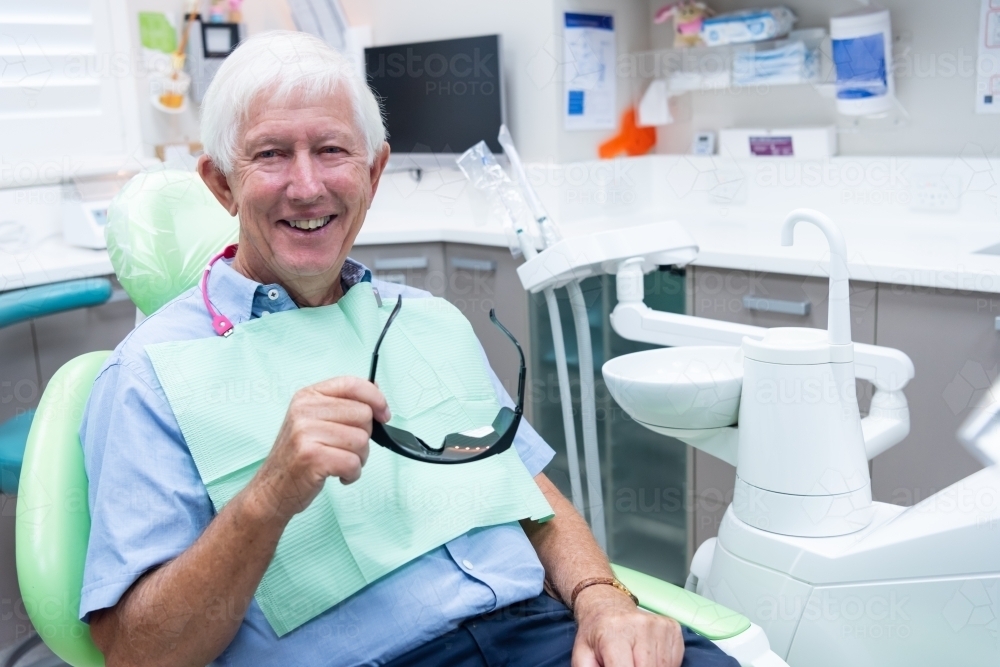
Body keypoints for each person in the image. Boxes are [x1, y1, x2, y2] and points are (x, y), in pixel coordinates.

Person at [80, 30, 739, 667]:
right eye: (271, 153)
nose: (307, 186)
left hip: (542, 632)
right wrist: (268, 496)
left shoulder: (429, 320)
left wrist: (603, 600)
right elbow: (139, 653)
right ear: (222, 182)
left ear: (374, 171)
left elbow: (529, 490)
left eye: (333, 150)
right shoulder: (148, 374)